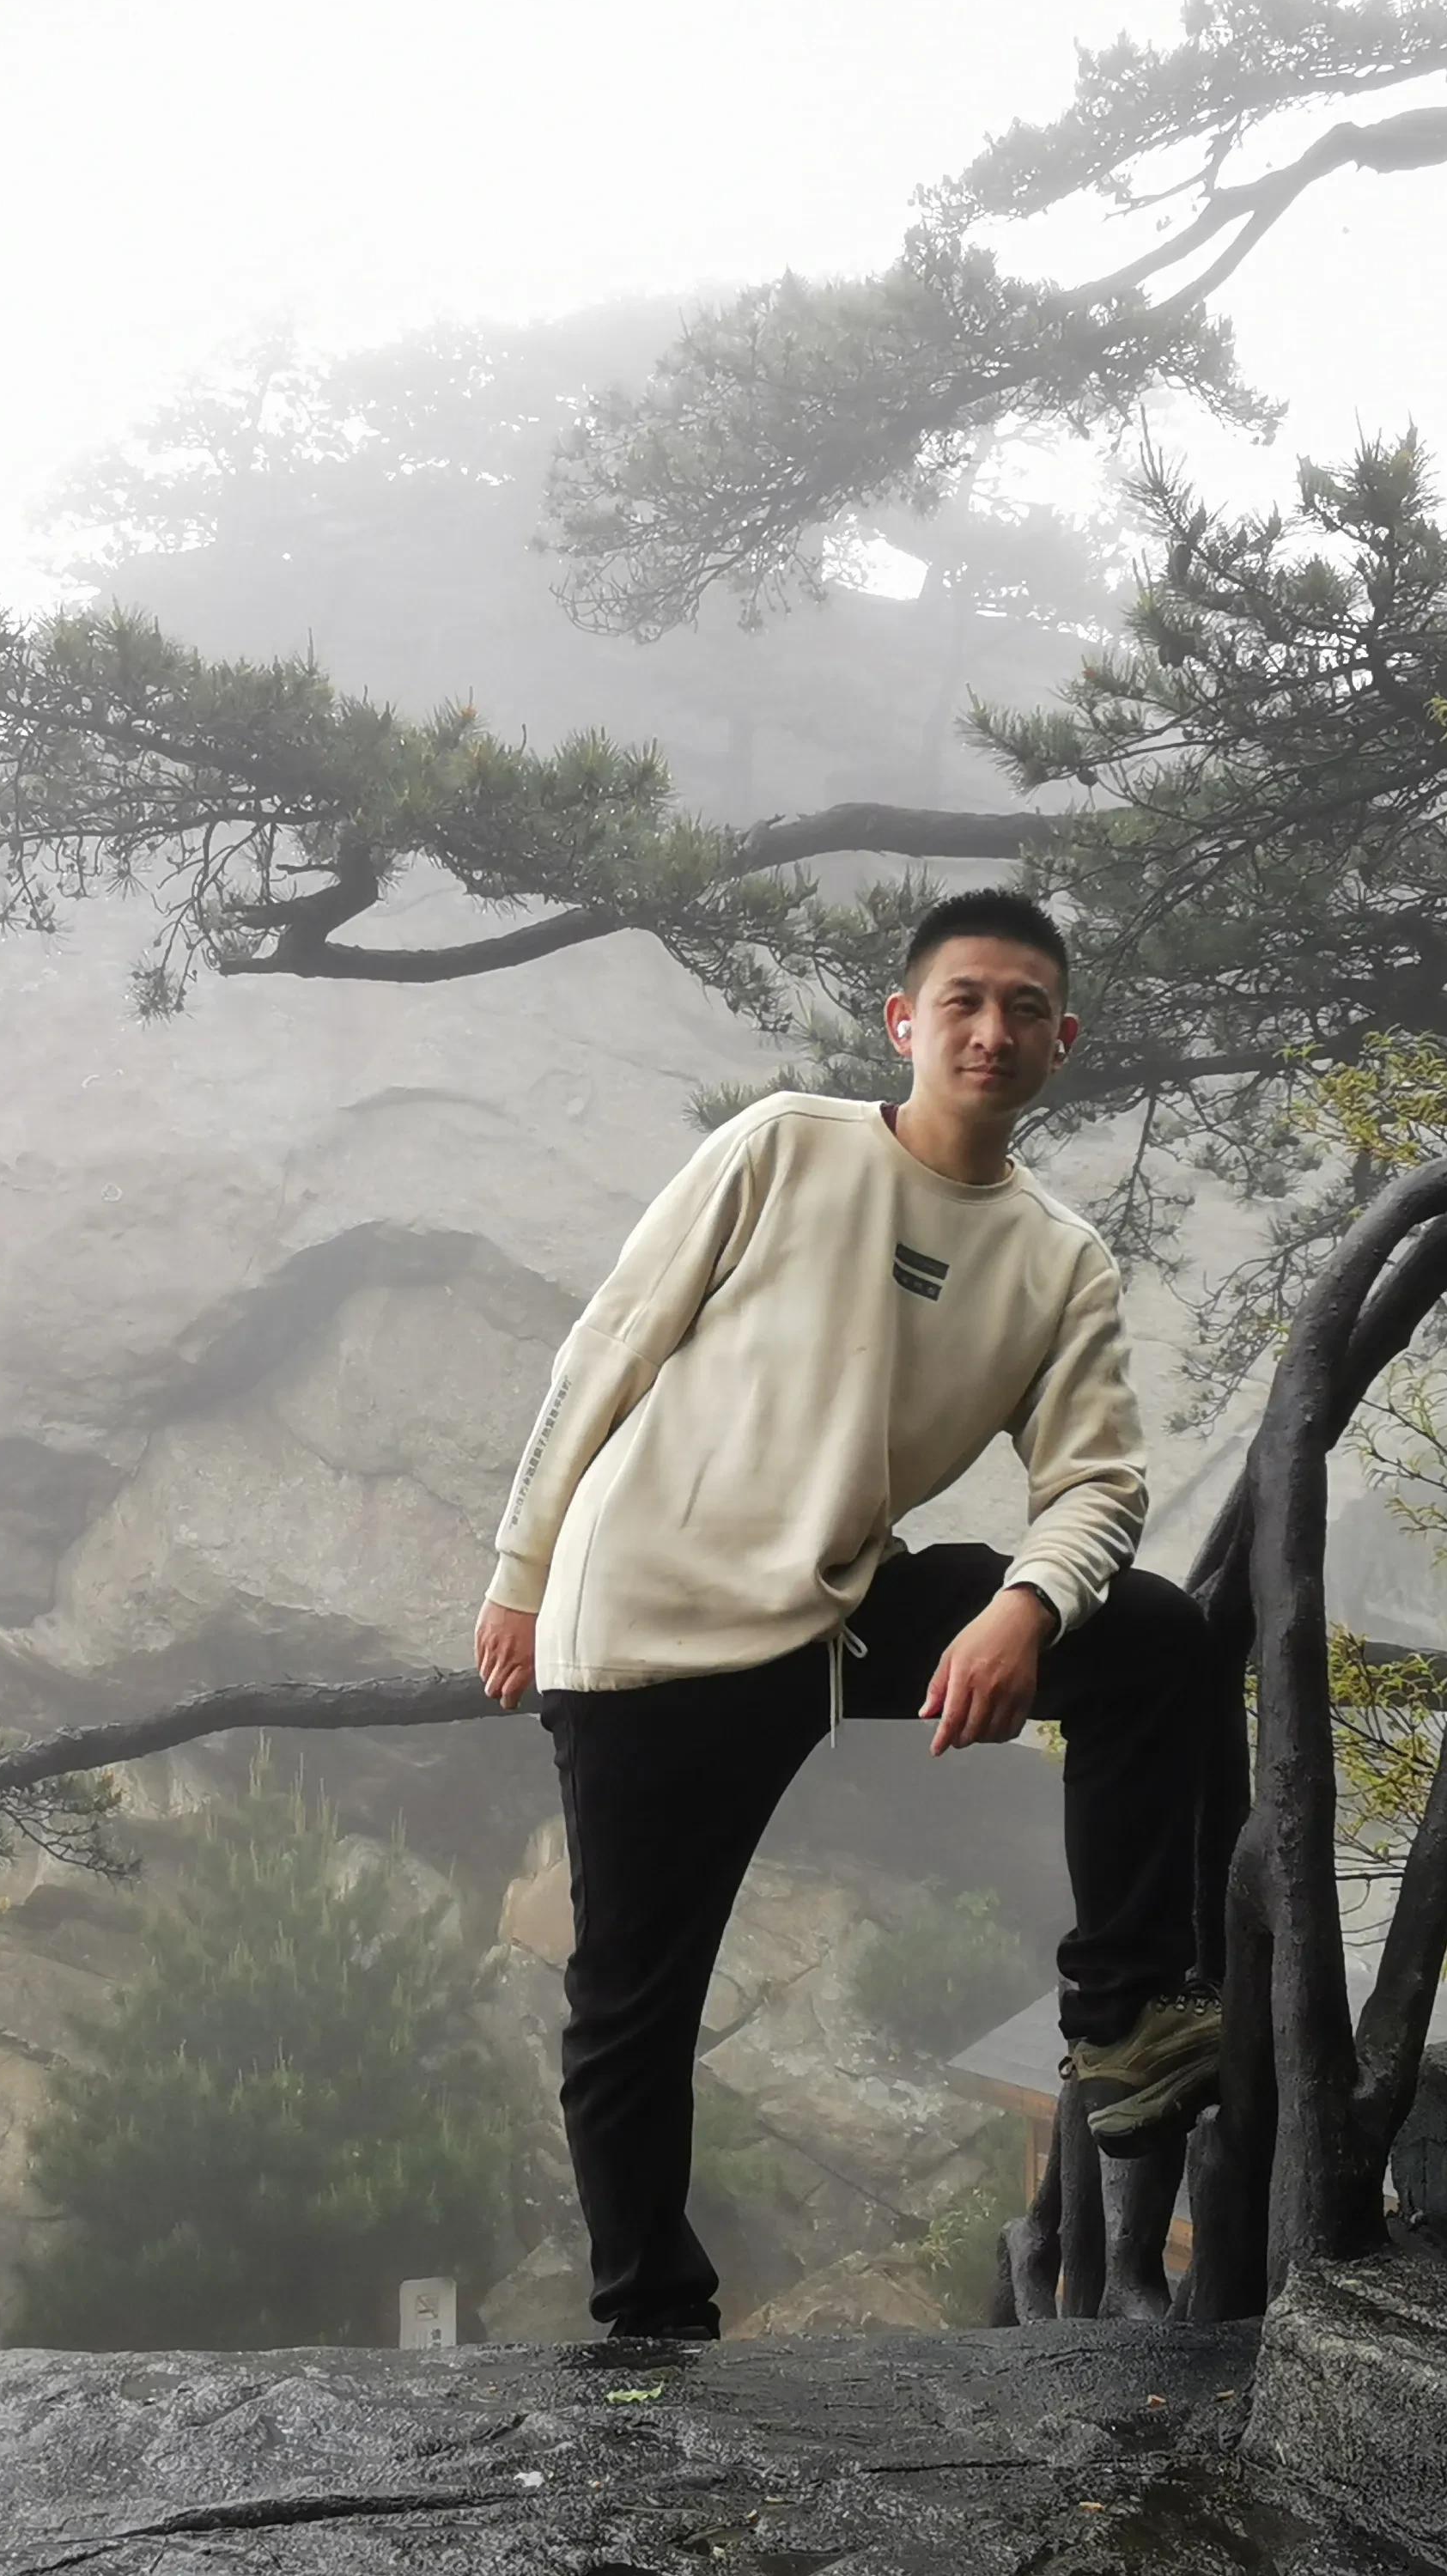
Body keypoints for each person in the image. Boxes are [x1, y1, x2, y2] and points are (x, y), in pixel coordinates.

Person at [474, 886, 1242, 2342]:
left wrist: (1025, 1604)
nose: (991, 1029)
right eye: (962, 1001)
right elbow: (606, 1348)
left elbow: (1098, 1484)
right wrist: (521, 1573)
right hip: (643, 1619)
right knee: (633, 2008)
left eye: (1024, 1007)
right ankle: (654, 2328)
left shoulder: (1059, 1259)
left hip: (833, 1609)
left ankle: (1127, 2015)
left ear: (1061, 1041)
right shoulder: (782, 1149)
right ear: (904, 1021)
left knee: (1147, 1636)